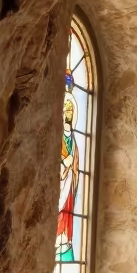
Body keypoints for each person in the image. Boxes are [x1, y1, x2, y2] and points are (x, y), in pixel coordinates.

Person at [56, 81, 79, 262]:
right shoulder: (60, 137)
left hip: (69, 182)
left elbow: (76, 160)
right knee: (59, 210)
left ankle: (66, 243)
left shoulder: (73, 138)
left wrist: (72, 163)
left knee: (68, 210)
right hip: (61, 180)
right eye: (66, 110)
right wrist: (65, 163)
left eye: (71, 111)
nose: (68, 114)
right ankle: (57, 244)